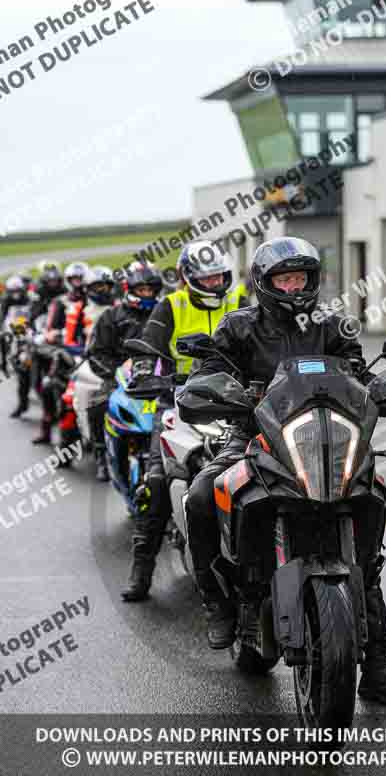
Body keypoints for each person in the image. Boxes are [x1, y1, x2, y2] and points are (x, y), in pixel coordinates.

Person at [182, 236, 386, 707]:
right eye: (284, 279)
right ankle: (218, 602)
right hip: (256, 436)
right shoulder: (239, 326)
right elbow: (208, 370)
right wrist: (217, 389)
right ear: (265, 283)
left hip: (327, 436)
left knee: (369, 523)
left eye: (301, 278)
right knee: (201, 495)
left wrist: (384, 388)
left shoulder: (330, 324)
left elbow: (359, 373)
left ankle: (376, 666)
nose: (293, 287)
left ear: (313, 280)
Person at [121, 240, 249, 602]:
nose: (214, 285)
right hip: (180, 404)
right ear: (188, 278)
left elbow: (263, 338)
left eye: (219, 277)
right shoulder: (171, 304)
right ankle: (142, 568)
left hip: (234, 404)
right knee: (156, 483)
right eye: (206, 279)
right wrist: (146, 372)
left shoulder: (239, 300)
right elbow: (150, 344)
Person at [86, 264, 163, 481]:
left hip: (160, 376)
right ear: (130, 288)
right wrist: (115, 372)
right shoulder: (111, 316)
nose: (147, 294)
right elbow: (95, 353)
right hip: (121, 377)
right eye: (142, 290)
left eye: (151, 290)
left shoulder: (163, 312)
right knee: (97, 403)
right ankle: (101, 454)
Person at [32, 262, 88, 445]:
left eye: (81, 279)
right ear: (69, 281)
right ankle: (46, 428)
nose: (78, 283)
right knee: (49, 384)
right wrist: (56, 335)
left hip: (91, 351)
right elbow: (50, 329)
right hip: (66, 351)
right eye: (75, 279)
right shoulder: (61, 302)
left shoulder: (95, 301)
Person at [1, 276, 34, 418]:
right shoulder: (4, 301)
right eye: (12, 291)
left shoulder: (32, 298)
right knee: (22, 371)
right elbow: (2, 317)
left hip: (31, 331)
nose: (16, 294)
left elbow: (38, 313)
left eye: (18, 290)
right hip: (14, 333)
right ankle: (23, 404)